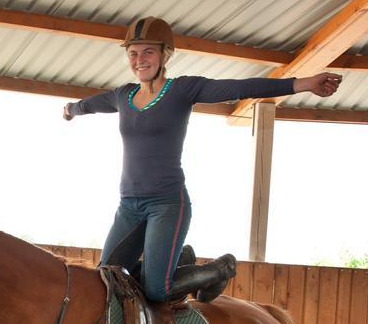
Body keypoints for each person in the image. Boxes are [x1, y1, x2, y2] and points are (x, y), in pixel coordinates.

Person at [62, 16, 342, 303]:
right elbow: (92, 104)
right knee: (108, 276)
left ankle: (217, 271)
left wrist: (304, 83)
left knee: (157, 291)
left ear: (164, 55)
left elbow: (240, 88)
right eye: (133, 54)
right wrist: (72, 109)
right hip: (129, 207)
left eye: (148, 52)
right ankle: (179, 262)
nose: (139, 60)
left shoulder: (181, 90)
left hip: (167, 205)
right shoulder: (124, 95)